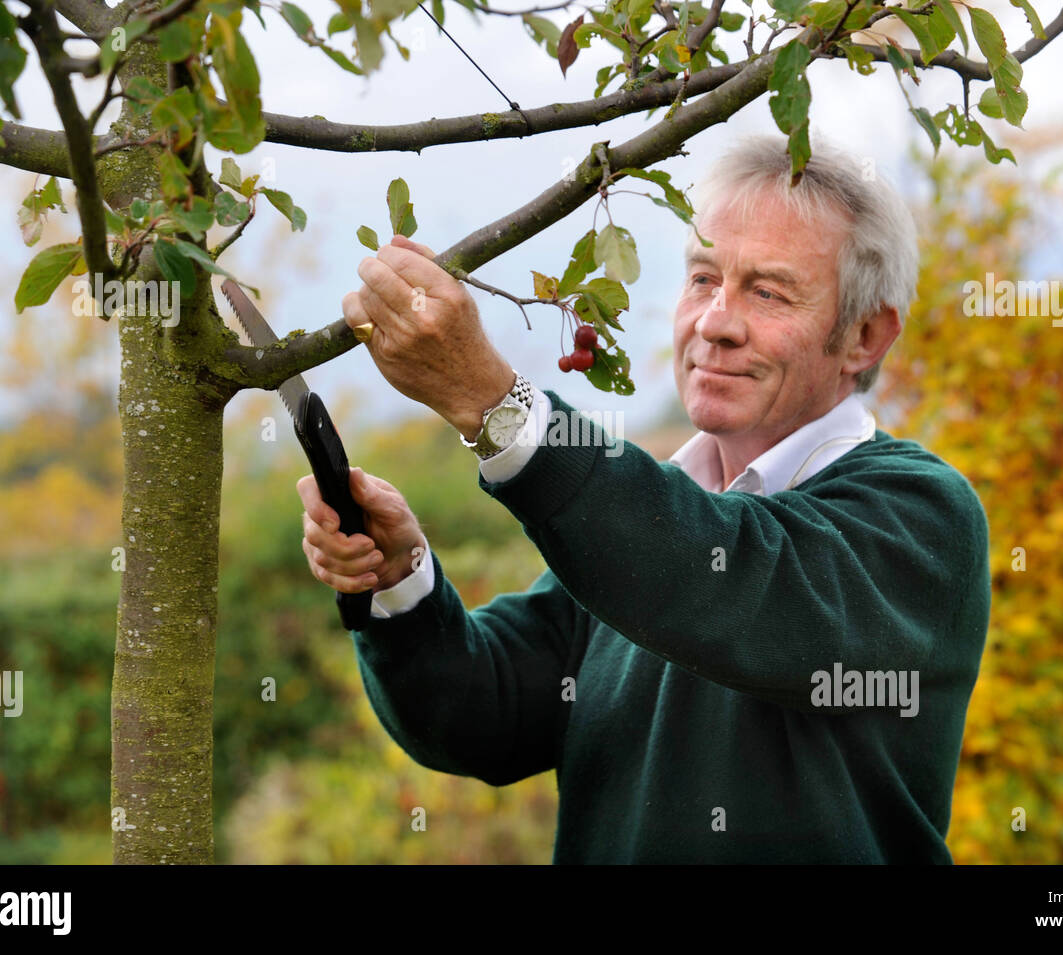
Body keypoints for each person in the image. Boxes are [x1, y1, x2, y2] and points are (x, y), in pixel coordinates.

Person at [297, 133, 992, 863]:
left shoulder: (921, 517)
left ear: (864, 335)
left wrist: (493, 401)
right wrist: (400, 575)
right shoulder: (639, 538)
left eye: (767, 291)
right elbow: (478, 711)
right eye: (702, 279)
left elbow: (716, 573)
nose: (715, 321)